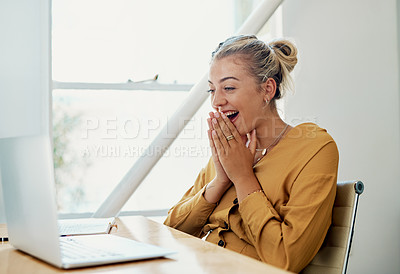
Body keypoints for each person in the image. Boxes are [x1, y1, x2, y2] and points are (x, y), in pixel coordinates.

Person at [164, 35, 339, 272]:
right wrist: (220, 181)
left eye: (228, 88)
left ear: (267, 89)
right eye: (212, 90)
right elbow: (168, 234)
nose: (216, 101)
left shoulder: (314, 148)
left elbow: (285, 259)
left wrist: (243, 177)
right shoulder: (229, 149)